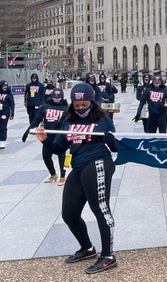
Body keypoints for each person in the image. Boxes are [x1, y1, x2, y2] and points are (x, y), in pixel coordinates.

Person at [33, 83, 119, 275]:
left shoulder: (103, 119)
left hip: (98, 163)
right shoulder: (68, 120)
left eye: (84, 104)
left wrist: (111, 138)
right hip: (78, 166)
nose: (81, 108)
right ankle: (87, 247)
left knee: (100, 210)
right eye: (77, 104)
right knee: (69, 214)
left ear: (92, 101)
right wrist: (45, 139)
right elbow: (58, 148)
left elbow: (114, 147)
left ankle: (108, 256)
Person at [27, 88, 68, 185]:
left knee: (62, 157)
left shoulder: (66, 108)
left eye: (59, 96)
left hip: (60, 136)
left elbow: (71, 121)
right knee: (46, 156)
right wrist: (30, 129)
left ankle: (63, 176)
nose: (56, 98)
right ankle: (53, 174)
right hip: (48, 136)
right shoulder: (45, 107)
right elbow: (37, 119)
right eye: (55, 96)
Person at [0, 80, 15, 149]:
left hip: (5, 111)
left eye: (6, 86)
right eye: (3, 86)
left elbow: (12, 104)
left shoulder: (9, 94)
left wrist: (12, 114)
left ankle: (2, 141)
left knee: (3, 126)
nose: (5, 87)